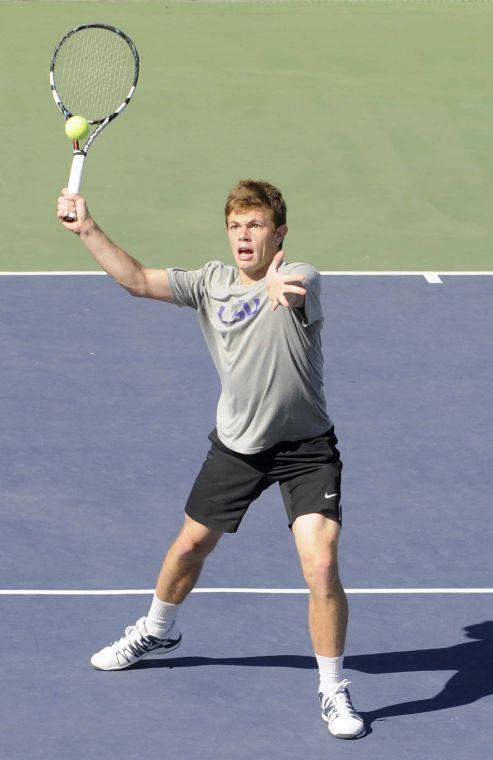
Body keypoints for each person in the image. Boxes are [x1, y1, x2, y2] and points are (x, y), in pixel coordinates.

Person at [56, 179, 365, 740]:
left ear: (280, 235)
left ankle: (333, 689)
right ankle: (155, 629)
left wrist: (278, 288)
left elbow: (289, 292)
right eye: (235, 226)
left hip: (306, 449)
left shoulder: (304, 277)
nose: (244, 236)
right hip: (239, 447)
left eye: (256, 226)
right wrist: (87, 228)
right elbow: (138, 280)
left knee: (320, 565)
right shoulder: (210, 283)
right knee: (190, 546)